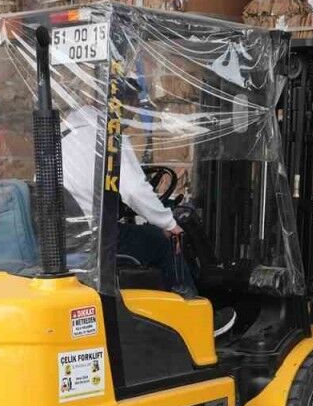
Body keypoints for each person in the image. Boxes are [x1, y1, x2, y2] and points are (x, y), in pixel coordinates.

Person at [60, 93, 236, 338]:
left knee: (145, 234)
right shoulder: (108, 136)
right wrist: (169, 224)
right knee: (163, 241)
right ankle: (196, 322)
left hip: (66, 239)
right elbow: (133, 190)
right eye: (132, 109)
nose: (132, 117)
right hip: (95, 240)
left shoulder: (65, 133)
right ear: (119, 102)